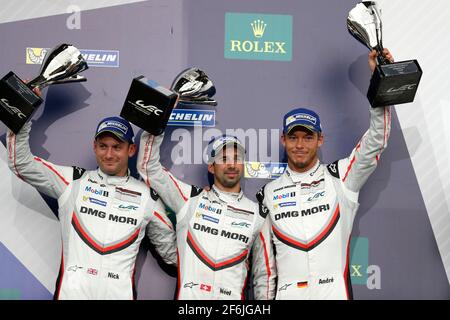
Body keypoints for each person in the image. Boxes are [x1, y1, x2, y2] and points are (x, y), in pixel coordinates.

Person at [256, 49, 394, 300]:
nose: (300, 145)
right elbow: (266, 270)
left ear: (320, 140)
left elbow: (376, 140)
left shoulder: (341, 178)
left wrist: (380, 80)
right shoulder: (268, 193)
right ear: (283, 140)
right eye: (293, 137)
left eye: (308, 137)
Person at [6, 115, 177, 300]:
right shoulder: (72, 181)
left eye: (117, 147)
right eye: (103, 146)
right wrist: (22, 113)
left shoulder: (148, 198)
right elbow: (21, 164)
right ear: (95, 147)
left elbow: (172, 254)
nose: (109, 154)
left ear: (131, 149)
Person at [137, 132, 276, 300]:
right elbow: (149, 168)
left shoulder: (258, 214)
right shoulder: (189, 199)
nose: (232, 165)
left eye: (237, 158)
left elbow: (264, 275)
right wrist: (157, 120)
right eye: (223, 159)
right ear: (211, 166)